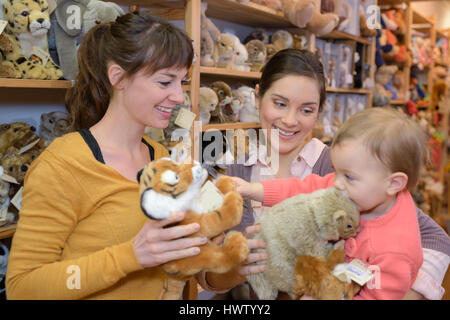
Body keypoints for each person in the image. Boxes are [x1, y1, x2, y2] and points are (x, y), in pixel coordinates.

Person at [199, 49, 450, 300]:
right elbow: (208, 275)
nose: (290, 120)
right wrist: (241, 267)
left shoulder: (344, 171)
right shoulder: (238, 170)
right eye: (280, 103)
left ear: (319, 111)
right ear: (257, 98)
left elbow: (435, 238)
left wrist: (409, 292)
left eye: (306, 110)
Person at [6, 12, 208, 299]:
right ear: (119, 78)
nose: (178, 96)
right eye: (166, 82)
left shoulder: (160, 156)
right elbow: (23, 288)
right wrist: (130, 256)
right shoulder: (63, 164)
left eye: (182, 82)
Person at [234, 107, 428, 299]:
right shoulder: (350, 191)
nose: (335, 182)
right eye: (336, 171)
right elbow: (302, 191)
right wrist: (254, 190)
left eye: (349, 176)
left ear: (393, 183)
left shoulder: (397, 250)